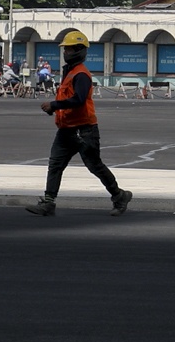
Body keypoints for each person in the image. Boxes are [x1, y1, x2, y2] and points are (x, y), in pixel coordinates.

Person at [25, 30, 131, 218]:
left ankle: (119, 196)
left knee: (94, 166)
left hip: (84, 130)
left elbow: (79, 100)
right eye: (65, 49)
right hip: (66, 130)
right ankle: (48, 203)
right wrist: (56, 109)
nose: (65, 52)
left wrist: (54, 105)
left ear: (79, 50)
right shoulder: (70, 72)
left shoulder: (81, 74)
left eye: (68, 49)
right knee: (55, 164)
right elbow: (69, 99)